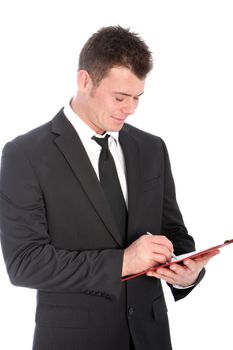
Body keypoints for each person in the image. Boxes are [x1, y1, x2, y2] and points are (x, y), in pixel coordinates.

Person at [0, 26, 219, 350]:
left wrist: (187, 274)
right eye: (120, 97)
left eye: (137, 98)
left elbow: (173, 232)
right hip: (73, 340)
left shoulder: (151, 148)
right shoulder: (25, 154)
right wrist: (123, 263)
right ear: (84, 80)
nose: (130, 109)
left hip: (151, 338)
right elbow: (25, 264)